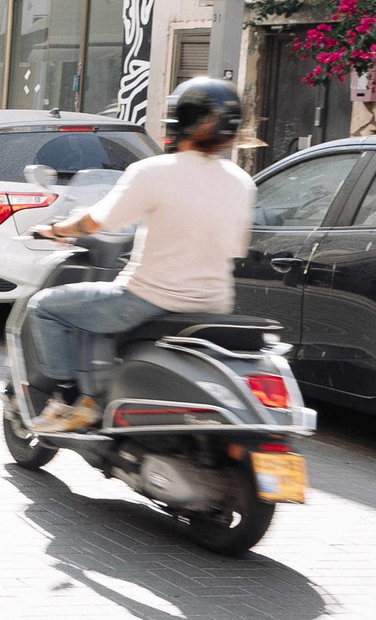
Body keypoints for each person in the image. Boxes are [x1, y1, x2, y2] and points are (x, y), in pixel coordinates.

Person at [23, 77, 256, 434]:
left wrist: (56, 230)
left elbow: (96, 221)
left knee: (46, 307)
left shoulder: (153, 171)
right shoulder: (242, 182)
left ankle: (69, 401)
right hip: (213, 305)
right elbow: (235, 248)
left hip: (149, 299)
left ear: (181, 121)